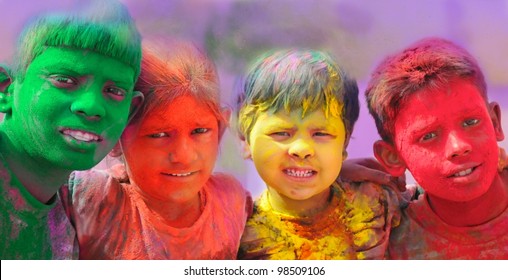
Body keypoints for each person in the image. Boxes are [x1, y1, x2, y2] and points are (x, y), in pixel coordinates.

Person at [61, 40, 252, 260]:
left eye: (200, 131)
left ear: (220, 128)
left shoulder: (230, 200)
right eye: (159, 135)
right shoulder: (94, 201)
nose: (183, 156)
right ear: (114, 137)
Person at [0, 0, 142, 259]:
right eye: (64, 80)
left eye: (114, 91)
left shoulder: (78, 210)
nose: (92, 107)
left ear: (130, 111)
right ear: (6, 87)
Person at [234, 49, 401, 260]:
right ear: (245, 140)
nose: (302, 149)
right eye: (281, 133)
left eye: (321, 134)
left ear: (344, 143)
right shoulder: (239, 236)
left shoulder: (377, 202)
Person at [365, 37, 508, 259]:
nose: (458, 147)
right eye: (428, 136)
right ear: (392, 157)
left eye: (471, 122)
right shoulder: (381, 242)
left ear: (495, 122)